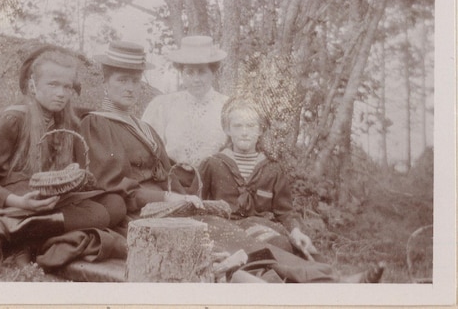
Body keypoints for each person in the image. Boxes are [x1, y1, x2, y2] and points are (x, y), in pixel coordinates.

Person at [0, 45, 126, 265]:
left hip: (44, 203)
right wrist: (20, 202)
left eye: (67, 87)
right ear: (33, 86)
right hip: (9, 203)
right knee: (97, 215)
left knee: (114, 205)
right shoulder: (12, 120)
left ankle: (29, 237)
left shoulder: (63, 121)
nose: (60, 93)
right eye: (52, 85)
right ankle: (12, 231)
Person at [197, 97, 385, 283]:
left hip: (261, 228)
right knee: (260, 252)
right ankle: (326, 280)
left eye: (251, 126)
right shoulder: (212, 164)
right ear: (227, 129)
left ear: (260, 130)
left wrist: (296, 231)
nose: (244, 132)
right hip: (225, 232)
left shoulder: (272, 168)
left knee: (282, 244)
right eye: (238, 126)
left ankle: (332, 281)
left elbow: (285, 211)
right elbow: (196, 205)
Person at [79, 41, 203, 222]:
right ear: (105, 83)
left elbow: (168, 177)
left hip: (166, 207)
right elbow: (113, 187)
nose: (130, 88)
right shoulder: (97, 124)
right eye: (122, 80)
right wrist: (167, 198)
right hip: (134, 212)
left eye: (135, 81)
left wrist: (184, 200)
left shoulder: (146, 128)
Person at [142, 35, 229, 172]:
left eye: (202, 72)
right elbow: (147, 150)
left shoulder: (227, 106)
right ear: (181, 73)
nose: (196, 79)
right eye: (189, 72)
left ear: (213, 73)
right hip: (172, 182)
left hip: (215, 183)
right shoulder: (163, 105)